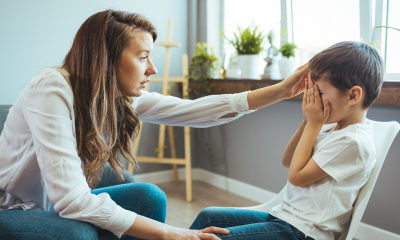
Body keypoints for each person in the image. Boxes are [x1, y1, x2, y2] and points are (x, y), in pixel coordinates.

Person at [0, 10, 308, 240]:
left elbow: (197, 111)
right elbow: (73, 201)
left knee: (150, 196)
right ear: (106, 59)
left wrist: (281, 90)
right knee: (78, 235)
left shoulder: (118, 97)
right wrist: (173, 233)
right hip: (13, 210)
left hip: (55, 206)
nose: (153, 68)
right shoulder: (52, 87)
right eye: (143, 56)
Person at [190, 41, 384, 240]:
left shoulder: (353, 142)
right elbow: (288, 161)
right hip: (285, 219)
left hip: (305, 232)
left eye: (319, 93)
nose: (312, 99)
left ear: (353, 95)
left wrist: (313, 124)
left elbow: (296, 176)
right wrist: (309, 121)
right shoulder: (332, 127)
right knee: (208, 217)